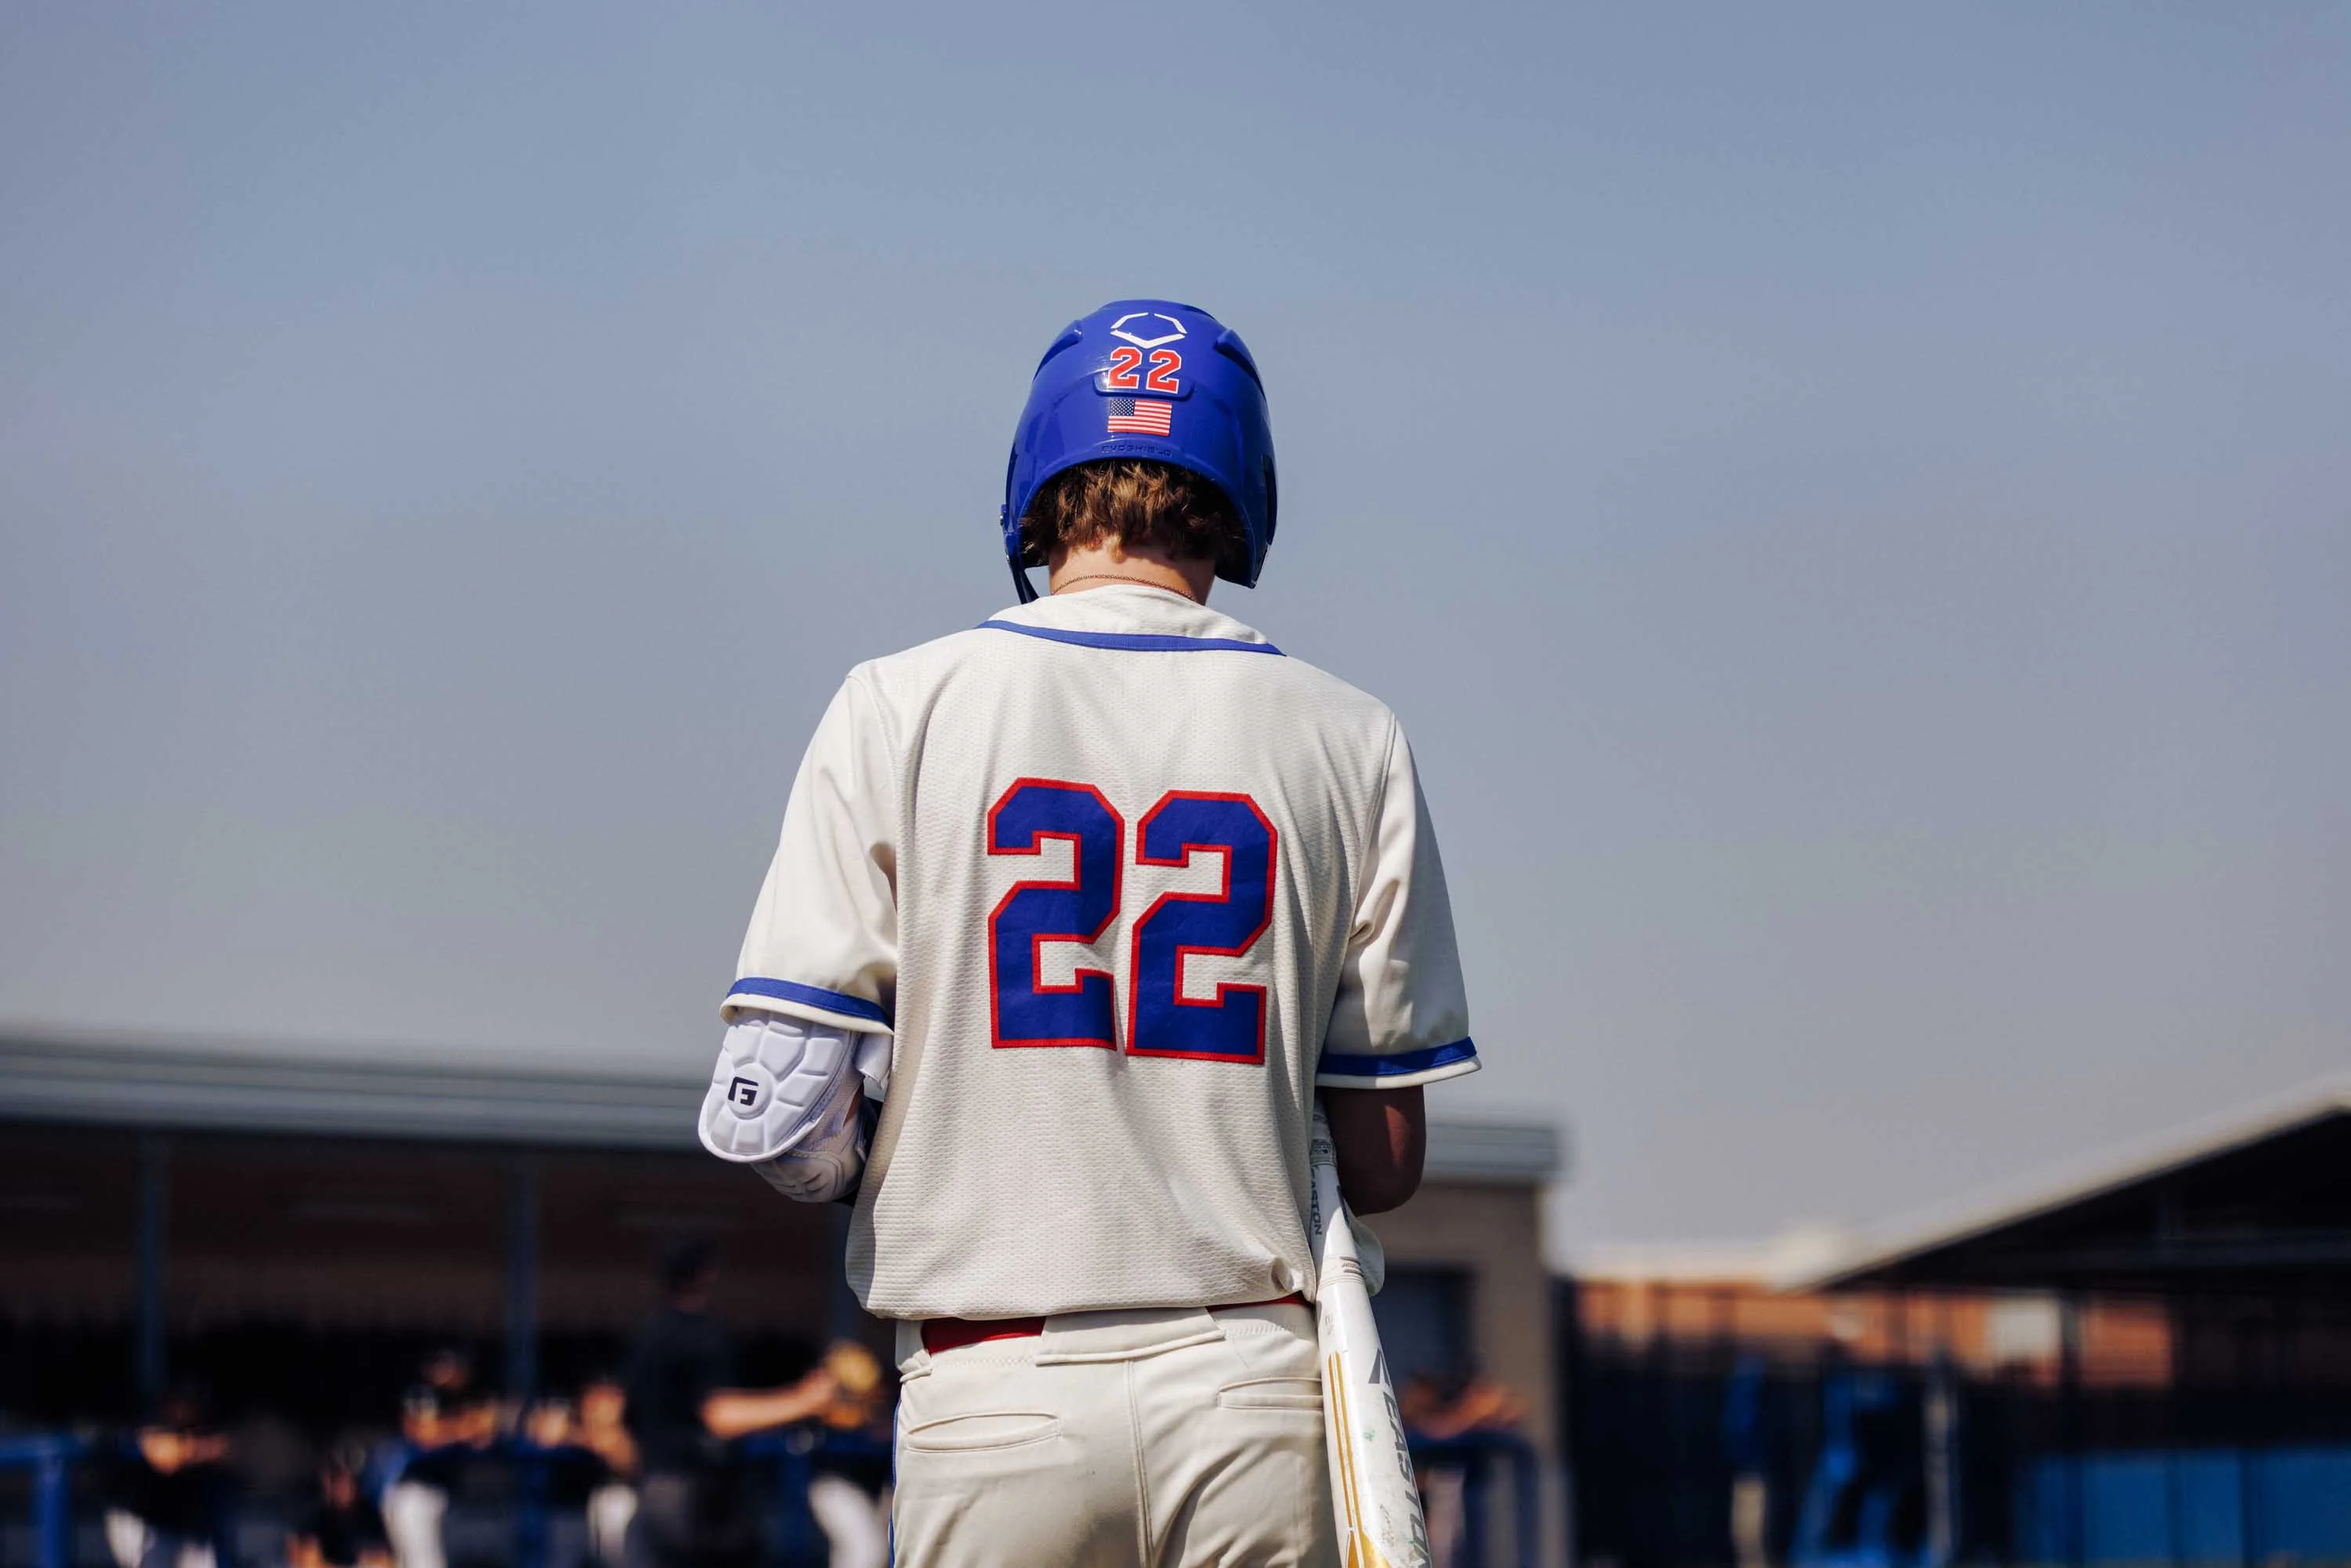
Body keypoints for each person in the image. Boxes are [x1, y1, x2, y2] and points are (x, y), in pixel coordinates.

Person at [697, 299, 1480, 1567]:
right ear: (1242, 490)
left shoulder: (897, 702)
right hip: (1251, 1383)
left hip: (991, 1380)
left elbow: (782, 1118)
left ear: (1038, 484)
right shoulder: (1351, 734)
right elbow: (1383, 1159)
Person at [621, 1241, 838, 1568]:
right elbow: (722, 1415)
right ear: (707, 1275)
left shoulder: (646, 1333)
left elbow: (622, 1415)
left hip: (651, 1490)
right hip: (696, 1498)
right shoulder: (701, 1334)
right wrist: (806, 1400)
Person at [381, 1348, 496, 1568]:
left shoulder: (467, 1399)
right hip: (414, 1494)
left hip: (448, 1497)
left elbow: (486, 1432)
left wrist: (467, 1427)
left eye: (453, 1368)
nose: (447, 1374)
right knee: (423, 1563)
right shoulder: (421, 1393)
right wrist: (462, 1428)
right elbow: (422, 1434)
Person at [105, 1382, 228, 1568]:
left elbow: (227, 1447)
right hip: (140, 1521)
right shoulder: (146, 1428)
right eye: (180, 1402)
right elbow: (162, 1453)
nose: (184, 1409)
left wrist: (193, 1450)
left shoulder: (205, 1429)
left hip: (188, 1529)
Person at [288, 1443, 392, 1568]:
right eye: (337, 1478)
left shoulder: (373, 1519)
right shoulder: (312, 1519)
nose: (343, 1486)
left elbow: (384, 1562)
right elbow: (306, 1563)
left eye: (350, 1479)